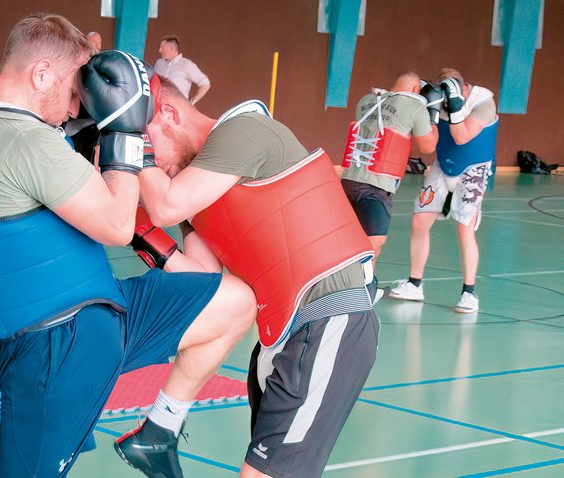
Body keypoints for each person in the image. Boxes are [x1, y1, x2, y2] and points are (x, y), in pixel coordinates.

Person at [0, 16, 257, 478]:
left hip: (102, 316)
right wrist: (121, 134)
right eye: (70, 94)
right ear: (40, 74)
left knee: (234, 301)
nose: (73, 108)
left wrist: (77, 132)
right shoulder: (25, 139)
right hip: (54, 355)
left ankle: (159, 431)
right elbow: (118, 224)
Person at [114, 77, 380, 478]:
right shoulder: (201, 194)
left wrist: (132, 150)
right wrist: (140, 230)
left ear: (168, 114)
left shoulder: (245, 130)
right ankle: (163, 424)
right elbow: (203, 280)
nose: (146, 168)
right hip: (281, 337)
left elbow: (166, 205)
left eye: (144, 142)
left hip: (330, 322)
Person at [389, 67, 498, 313]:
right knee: (419, 222)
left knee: (464, 228)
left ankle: (469, 293)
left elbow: (461, 136)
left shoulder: (484, 103)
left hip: (473, 169)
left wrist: (456, 103)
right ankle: (414, 284)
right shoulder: (441, 100)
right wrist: (430, 109)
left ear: (465, 87)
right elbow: (432, 139)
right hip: (443, 166)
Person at [341, 72, 439, 264]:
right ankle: (362, 290)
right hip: (376, 186)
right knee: (372, 245)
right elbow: (428, 146)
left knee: (352, 241)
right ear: (415, 89)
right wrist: (432, 116)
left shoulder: (366, 101)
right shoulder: (414, 107)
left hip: (348, 181)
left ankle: (367, 287)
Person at [154, 35, 210, 105]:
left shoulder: (186, 65)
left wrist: (192, 102)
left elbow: (205, 84)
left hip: (178, 110)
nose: (160, 50)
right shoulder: (159, 63)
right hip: (158, 107)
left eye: (162, 47)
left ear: (171, 48)